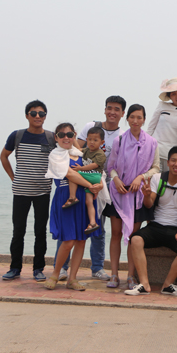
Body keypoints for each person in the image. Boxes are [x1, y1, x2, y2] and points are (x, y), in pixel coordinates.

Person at [55, 95, 127, 282]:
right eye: (109, 108)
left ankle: (97, 268)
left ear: (122, 113)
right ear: (105, 109)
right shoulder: (90, 126)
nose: (112, 112)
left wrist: (102, 182)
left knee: (97, 228)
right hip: (79, 179)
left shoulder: (123, 135)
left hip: (103, 184)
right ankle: (61, 268)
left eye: (117, 109)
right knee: (69, 228)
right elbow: (74, 150)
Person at [125, 146, 177, 297]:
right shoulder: (158, 178)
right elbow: (149, 204)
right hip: (156, 226)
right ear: (168, 162)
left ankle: (167, 285)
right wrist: (146, 195)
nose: (176, 164)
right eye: (173, 160)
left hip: (176, 228)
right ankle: (144, 284)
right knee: (135, 239)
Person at [105, 104, 160, 289]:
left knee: (132, 236)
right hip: (118, 192)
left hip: (137, 195)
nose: (135, 121)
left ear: (144, 120)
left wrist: (141, 177)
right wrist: (116, 180)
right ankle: (114, 274)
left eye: (139, 117)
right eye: (132, 117)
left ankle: (130, 275)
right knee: (115, 233)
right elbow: (111, 167)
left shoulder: (152, 142)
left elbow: (156, 167)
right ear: (127, 118)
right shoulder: (119, 140)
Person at [0, 100, 55, 282]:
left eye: (41, 113)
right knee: (18, 231)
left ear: (45, 116)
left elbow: (64, 156)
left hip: (43, 192)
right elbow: (4, 156)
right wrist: (13, 177)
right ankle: (14, 268)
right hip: (20, 191)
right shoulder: (17, 136)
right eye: (33, 113)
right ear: (27, 116)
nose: (37, 116)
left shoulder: (51, 138)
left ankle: (38, 269)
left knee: (40, 231)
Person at [44, 123, 104, 291]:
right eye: (62, 135)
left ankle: (73, 278)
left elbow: (96, 172)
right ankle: (55, 274)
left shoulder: (81, 154)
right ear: (56, 137)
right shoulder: (55, 155)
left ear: (74, 136)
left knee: (81, 240)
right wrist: (90, 185)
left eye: (69, 134)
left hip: (84, 197)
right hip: (66, 198)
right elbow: (69, 173)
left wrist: (99, 185)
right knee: (68, 240)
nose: (66, 138)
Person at [63, 127, 106, 235]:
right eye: (90, 139)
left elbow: (94, 165)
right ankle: (93, 223)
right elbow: (78, 150)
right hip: (90, 177)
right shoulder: (87, 150)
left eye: (95, 140)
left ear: (102, 142)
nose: (92, 142)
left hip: (94, 175)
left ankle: (72, 197)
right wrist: (74, 138)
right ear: (86, 140)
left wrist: (80, 169)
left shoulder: (100, 153)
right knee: (89, 202)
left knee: (73, 176)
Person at [147, 77, 177, 172]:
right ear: (169, 96)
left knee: (169, 182)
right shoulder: (162, 106)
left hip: (174, 158)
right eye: (173, 94)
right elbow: (150, 129)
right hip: (154, 153)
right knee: (153, 180)